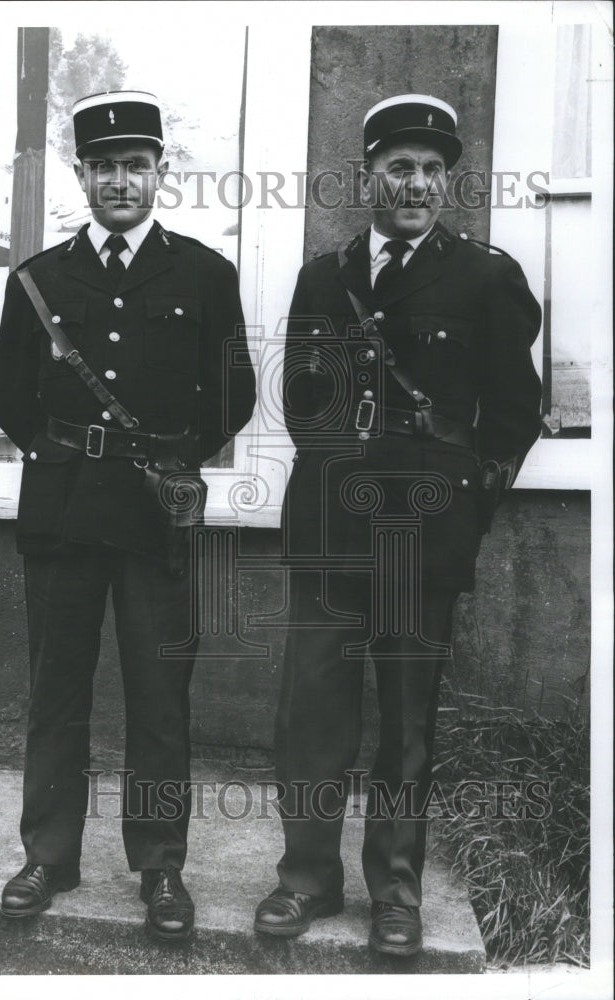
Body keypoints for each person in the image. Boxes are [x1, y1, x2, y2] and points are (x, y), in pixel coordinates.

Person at [254, 94, 542, 955]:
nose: (415, 184)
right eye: (399, 168)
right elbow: (302, 401)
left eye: (430, 170)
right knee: (312, 714)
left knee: (406, 724)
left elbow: (513, 416)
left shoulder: (487, 278)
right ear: (368, 177)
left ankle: (397, 893)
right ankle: (306, 876)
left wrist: (465, 507)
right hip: (334, 529)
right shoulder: (324, 276)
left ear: (445, 182)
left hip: (427, 533)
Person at [0, 90, 255, 941]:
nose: (120, 181)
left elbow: (234, 394)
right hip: (63, 511)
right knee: (56, 692)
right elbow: (7, 397)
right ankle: (48, 856)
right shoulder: (38, 278)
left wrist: (174, 462)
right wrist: (70, 454)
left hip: (154, 518)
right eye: (103, 166)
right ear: (82, 174)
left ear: (159, 174)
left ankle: (161, 867)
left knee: (158, 693)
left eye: (135, 166)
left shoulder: (205, 275)